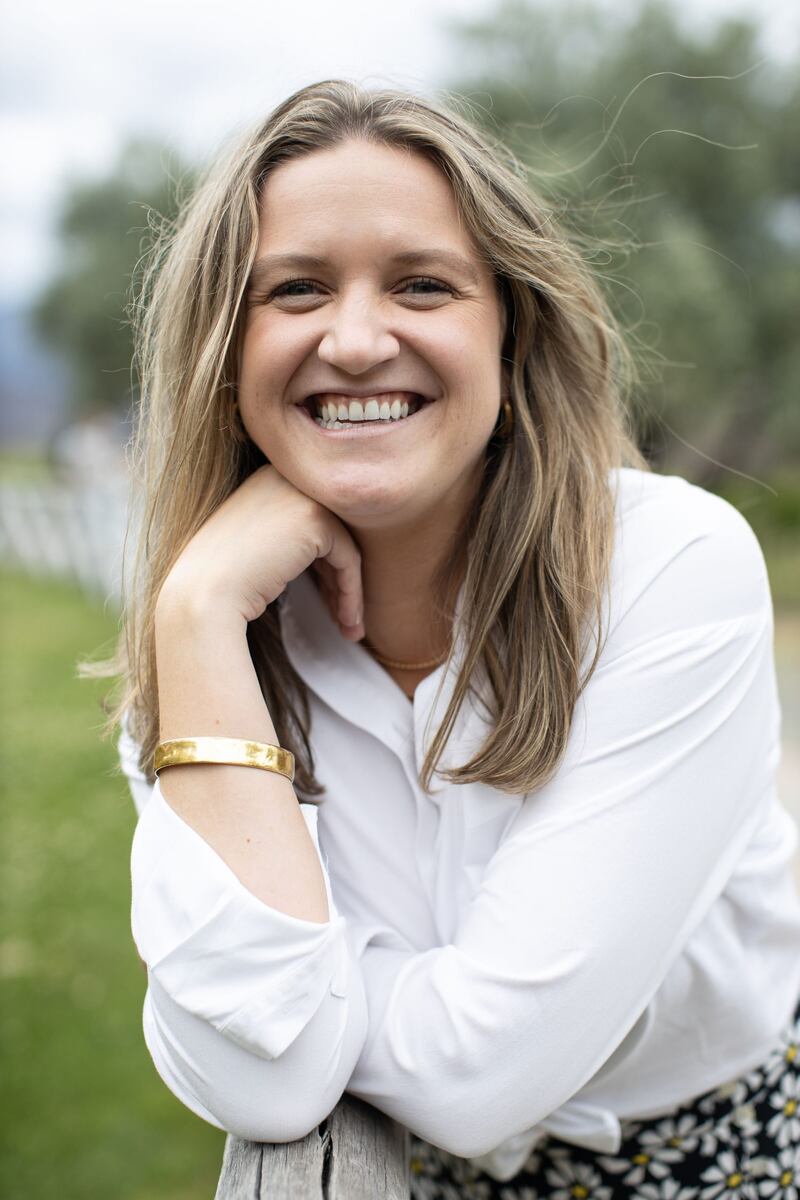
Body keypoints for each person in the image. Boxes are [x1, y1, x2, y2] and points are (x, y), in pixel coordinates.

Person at [107, 80, 800, 1197]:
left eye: (422, 284)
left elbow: (475, 1083)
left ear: (508, 328)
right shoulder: (208, 641)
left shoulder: (668, 568)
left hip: (708, 1165)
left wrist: (322, 998)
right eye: (294, 290)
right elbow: (266, 1090)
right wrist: (188, 620)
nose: (358, 337)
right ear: (225, 353)